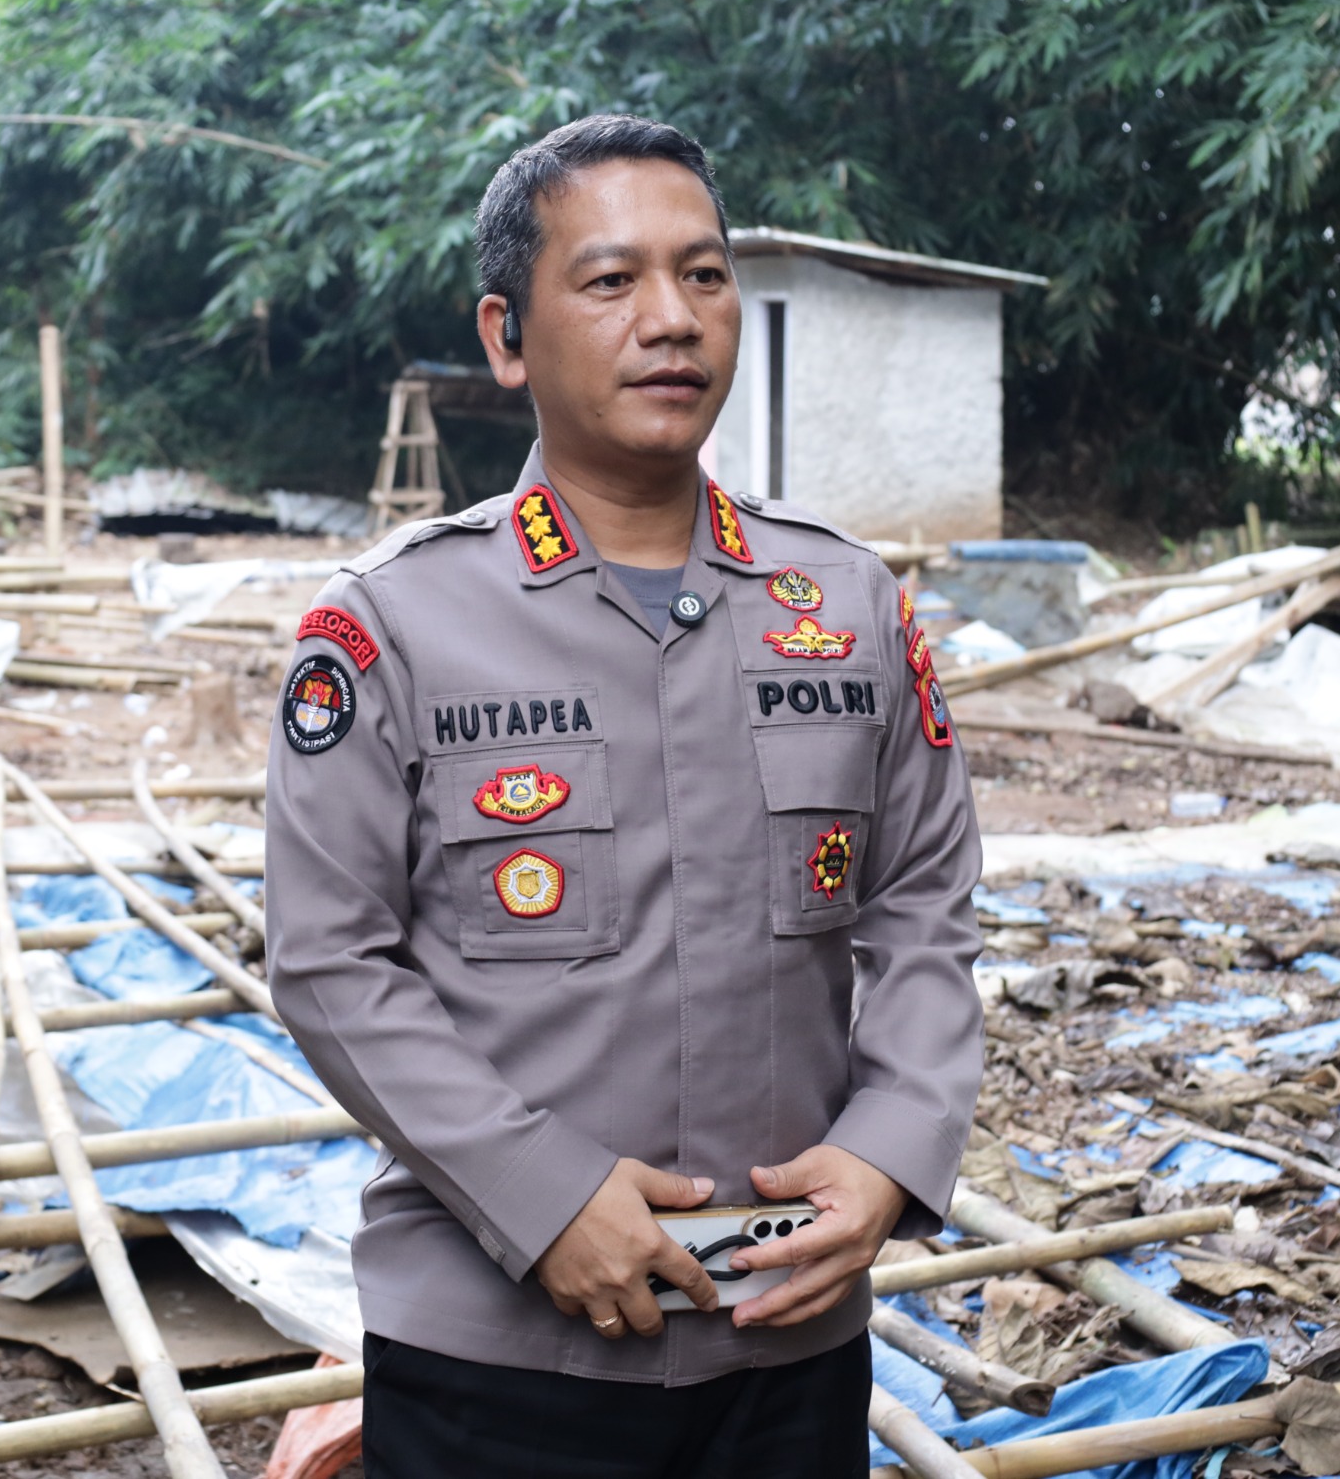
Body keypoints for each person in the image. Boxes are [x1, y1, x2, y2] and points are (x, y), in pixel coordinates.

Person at [265, 113, 983, 1478]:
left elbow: (928, 913)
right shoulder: (392, 629)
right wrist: (545, 1199)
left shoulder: (844, 604)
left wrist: (890, 1154)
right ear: (507, 336)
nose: (672, 318)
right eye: (611, 281)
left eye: (704, 276)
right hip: (497, 1356)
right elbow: (328, 961)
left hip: (789, 1337)